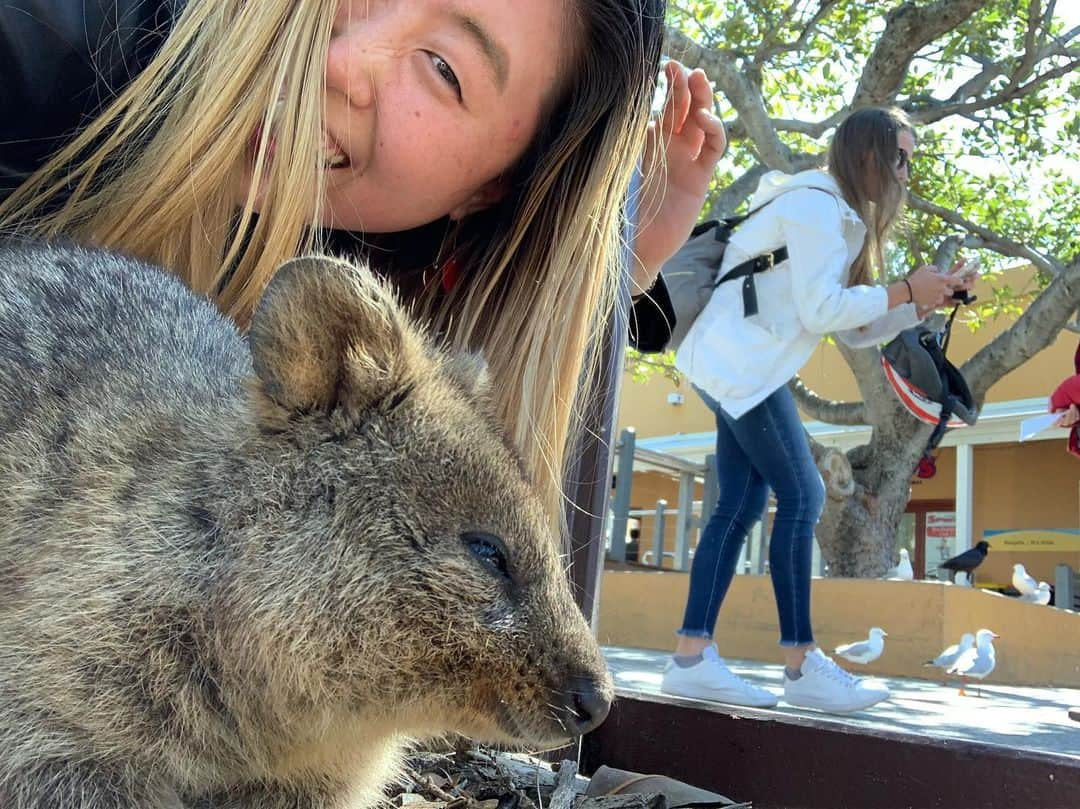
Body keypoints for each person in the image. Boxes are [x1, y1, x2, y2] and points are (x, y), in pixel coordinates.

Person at [0, 0, 725, 522]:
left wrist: (620, 270)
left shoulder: (360, 251)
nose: (341, 59)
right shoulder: (56, 49)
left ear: (490, 189)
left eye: (443, 68)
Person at [652, 107, 973, 713]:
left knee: (742, 504)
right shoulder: (819, 205)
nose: (906, 172)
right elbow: (825, 310)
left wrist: (918, 303)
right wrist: (905, 288)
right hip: (744, 367)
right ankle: (800, 665)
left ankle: (691, 658)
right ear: (868, 153)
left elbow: (853, 329)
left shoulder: (841, 217)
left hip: (734, 364)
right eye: (900, 156)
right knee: (805, 496)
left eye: (911, 159)